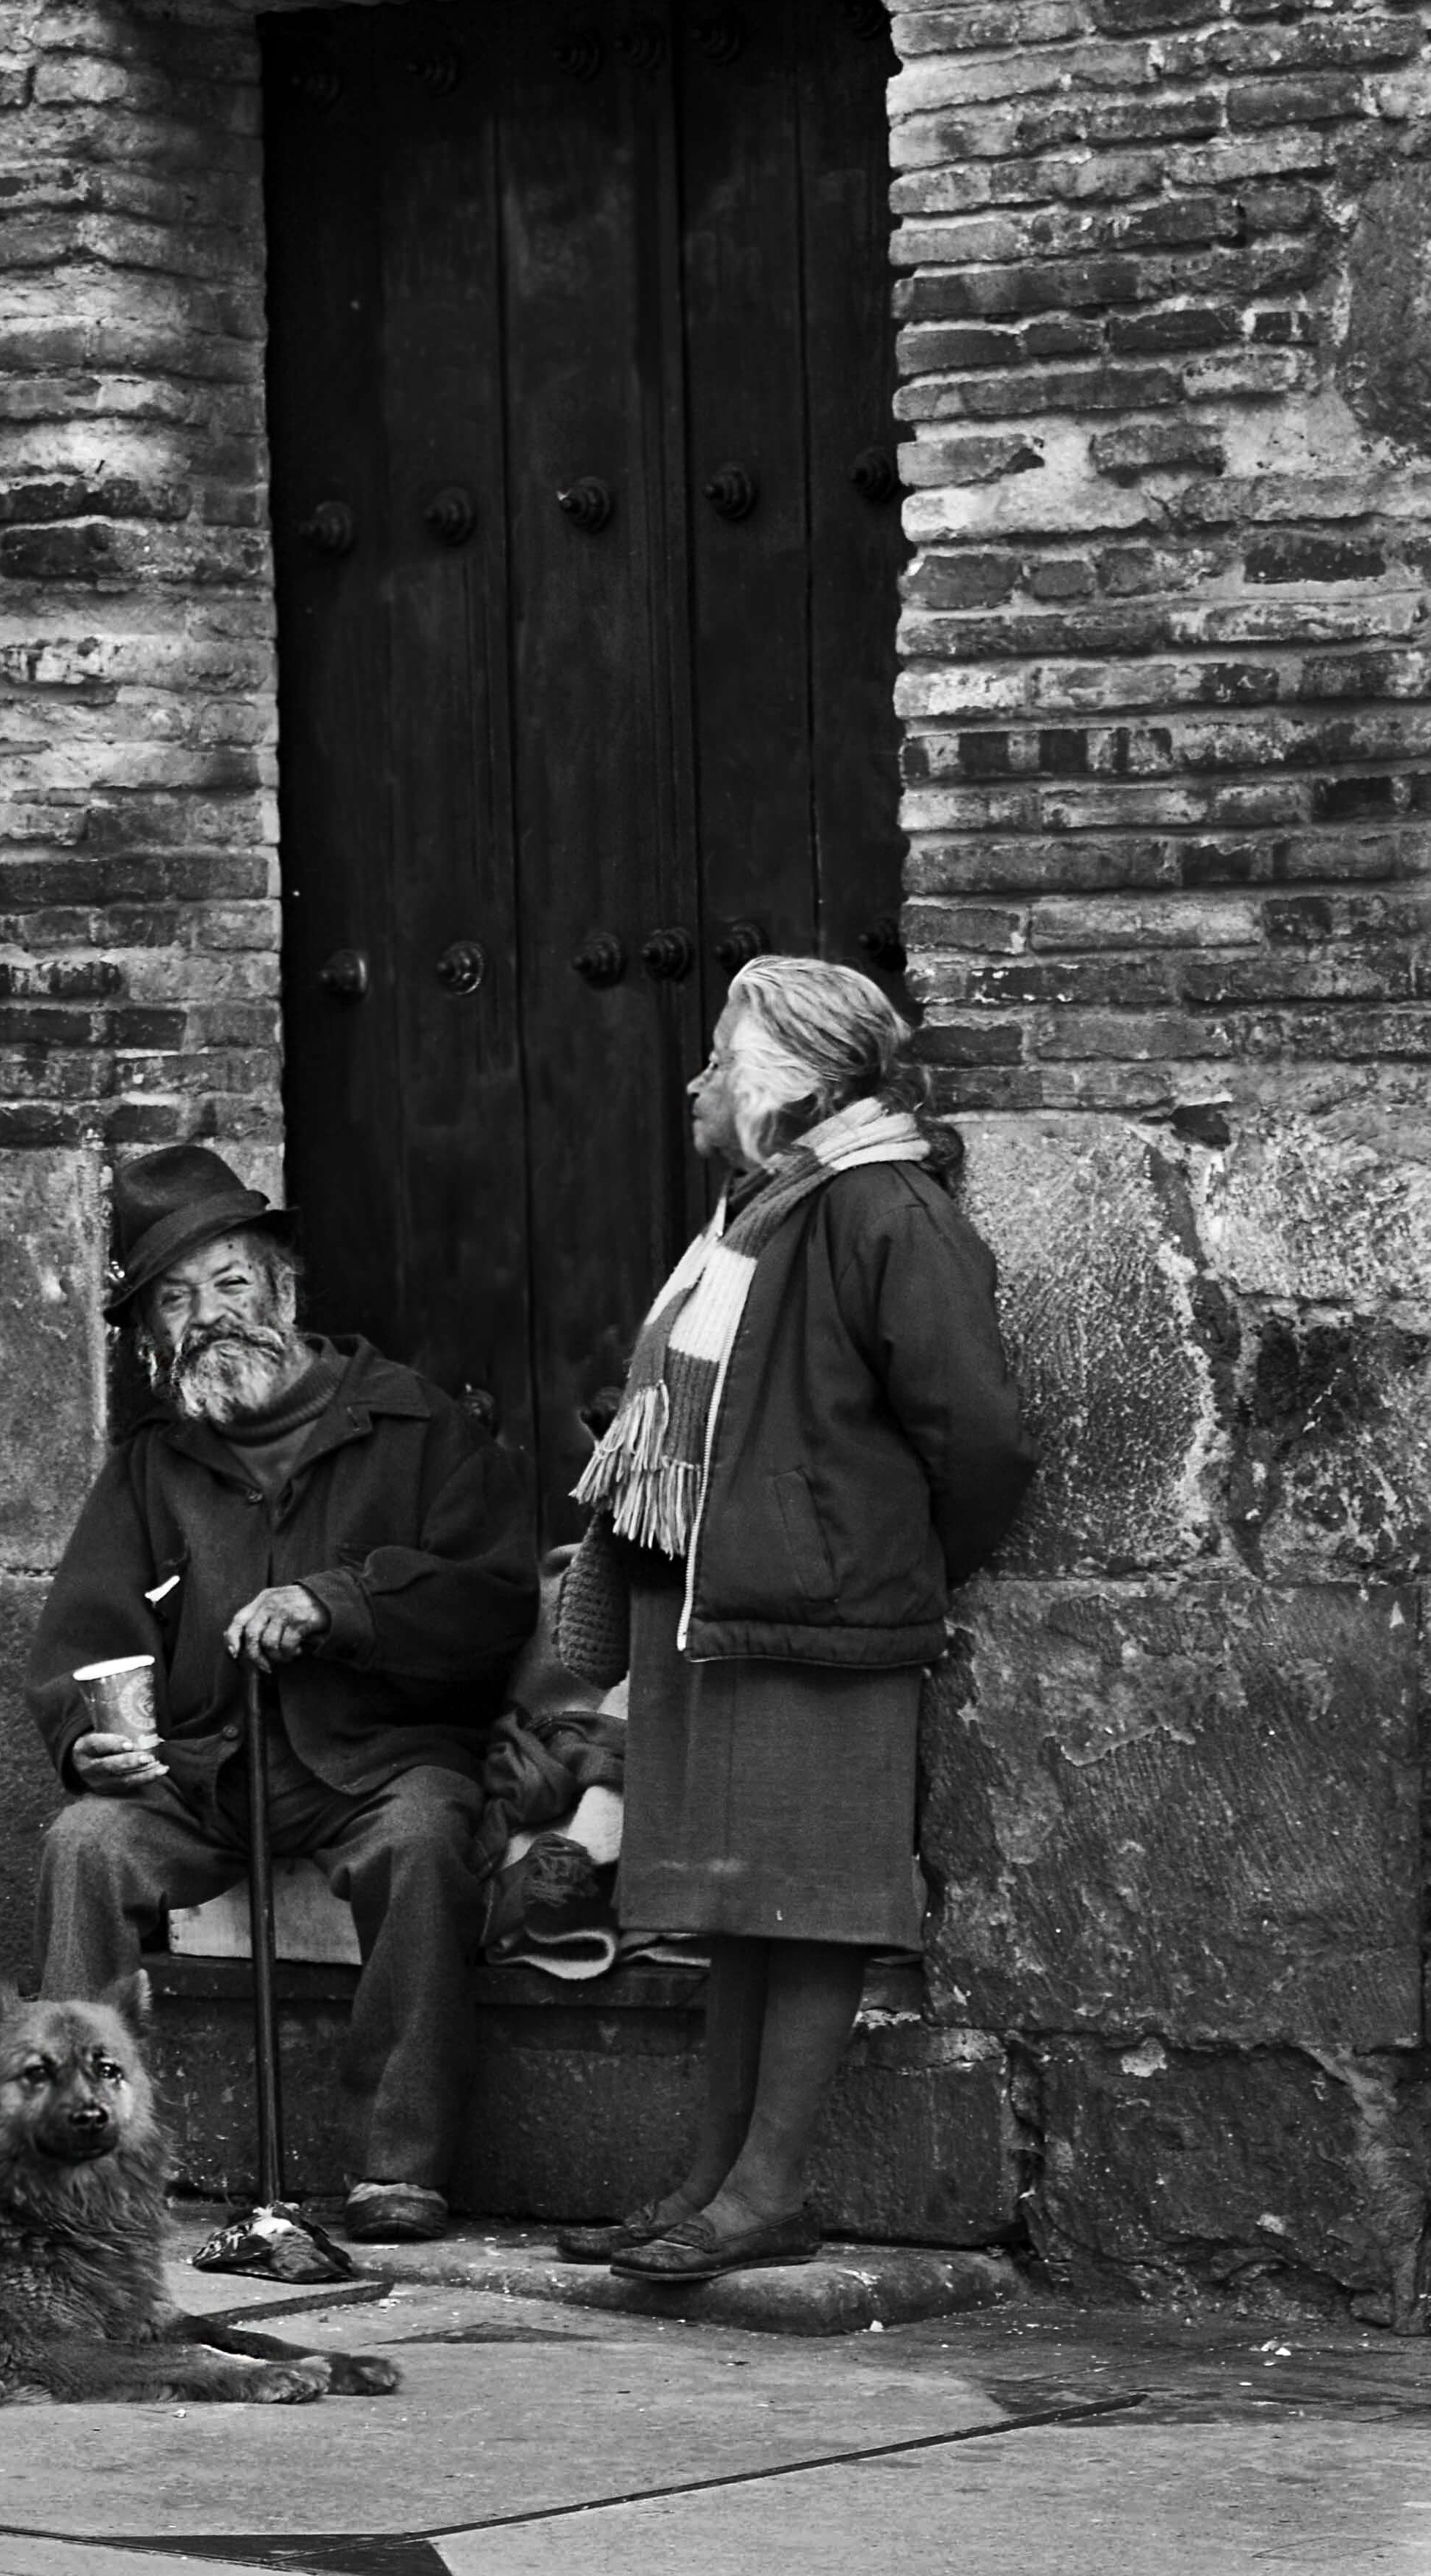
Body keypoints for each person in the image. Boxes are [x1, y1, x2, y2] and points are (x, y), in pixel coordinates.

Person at [554, 957, 1032, 2281]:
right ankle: (708, 2182)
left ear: (796, 1080)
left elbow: (977, 1436)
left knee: (808, 1904)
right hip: (725, 1607)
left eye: (724, 1052)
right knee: (735, 1907)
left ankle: (766, 2192)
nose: (699, 1078)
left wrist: (880, 1556)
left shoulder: (881, 1208)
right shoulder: (759, 1212)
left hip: (819, 1612)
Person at [27, 1144, 536, 2244]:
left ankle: (398, 2164)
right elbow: (80, 1639)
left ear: (283, 1289)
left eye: (228, 1282)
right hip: (207, 1772)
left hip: (372, 1759)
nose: (206, 1314)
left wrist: (345, 1602)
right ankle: (77, 2167)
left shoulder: (412, 1425)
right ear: (150, 1336)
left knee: (424, 1834)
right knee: (85, 1841)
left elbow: (493, 1602)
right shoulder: (151, 1465)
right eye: (173, 1298)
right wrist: (87, 1741)